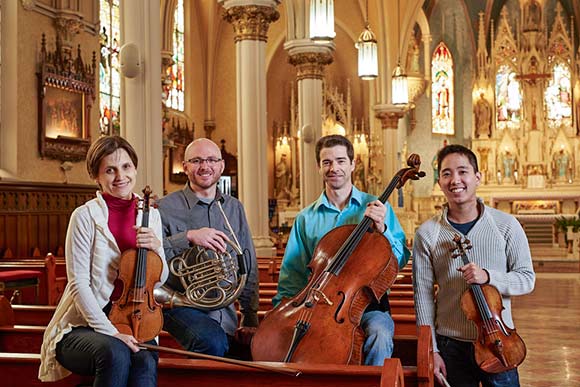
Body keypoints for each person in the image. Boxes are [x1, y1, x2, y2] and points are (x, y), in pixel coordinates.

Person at [39, 136, 169, 386]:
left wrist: (157, 248)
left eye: (126, 167)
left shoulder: (150, 214)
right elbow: (78, 284)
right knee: (116, 352)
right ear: (96, 177)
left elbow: (159, 279)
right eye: (110, 170)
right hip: (84, 322)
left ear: (135, 168)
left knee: (145, 361)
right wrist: (111, 332)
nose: (120, 176)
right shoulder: (85, 216)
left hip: (135, 318)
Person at [273, 134, 410, 366]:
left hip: (367, 304)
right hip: (316, 305)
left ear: (353, 164)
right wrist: (281, 310)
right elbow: (292, 272)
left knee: (380, 333)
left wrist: (382, 228)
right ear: (319, 167)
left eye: (340, 161)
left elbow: (400, 259)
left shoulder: (378, 207)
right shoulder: (306, 218)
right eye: (327, 162)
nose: (333, 168)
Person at [412, 144, 535, 387]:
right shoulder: (427, 234)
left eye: (462, 172)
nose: (455, 180)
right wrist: (431, 351)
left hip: (499, 343)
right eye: (446, 173)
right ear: (439, 182)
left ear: (478, 177)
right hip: (450, 344)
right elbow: (423, 297)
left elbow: (527, 279)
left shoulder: (506, 225)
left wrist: (489, 277)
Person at [157, 138, 259, 357]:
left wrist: (250, 315)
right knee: (213, 343)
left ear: (221, 166)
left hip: (226, 312)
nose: (205, 166)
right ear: (185, 167)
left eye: (212, 160)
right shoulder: (164, 207)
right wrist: (188, 236)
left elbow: (247, 263)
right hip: (182, 307)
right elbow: (150, 254)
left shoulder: (233, 207)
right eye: (196, 160)